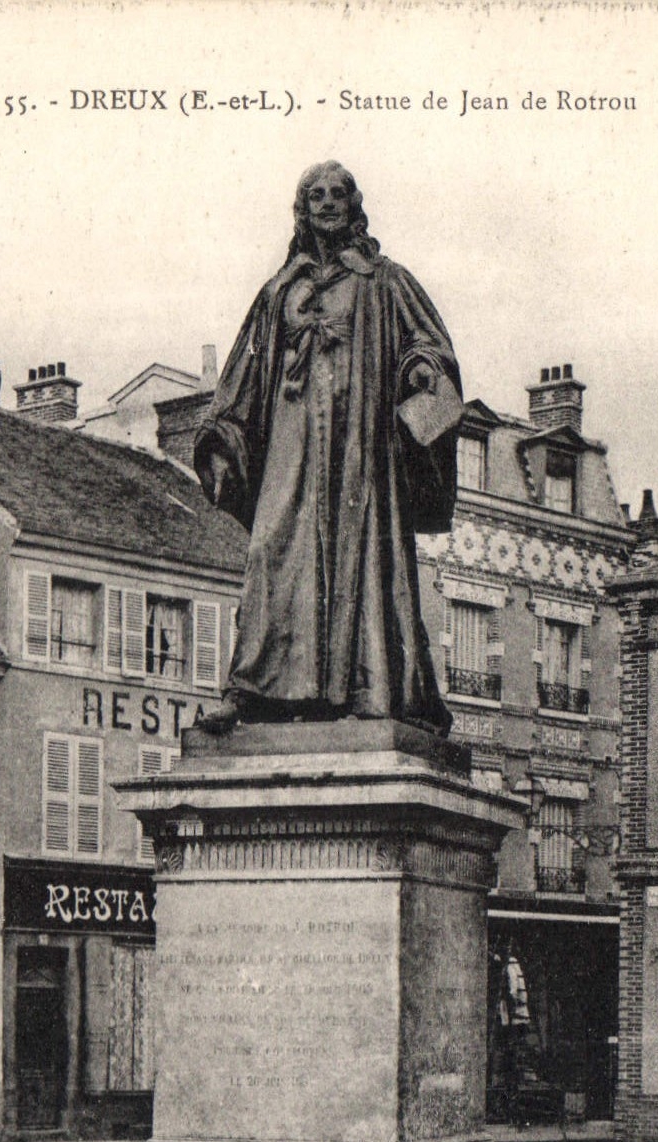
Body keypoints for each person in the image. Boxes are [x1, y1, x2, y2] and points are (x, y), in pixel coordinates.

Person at [194, 161, 462, 734]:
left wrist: (420, 371)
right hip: (290, 457)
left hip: (360, 453)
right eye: (314, 195)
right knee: (270, 553)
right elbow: (242, 375)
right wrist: (222, 439)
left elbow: (430, 346)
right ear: (301, 208)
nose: (326, 203)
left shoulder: (385, 281)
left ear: (355, 204)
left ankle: (367, 691)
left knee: (360, 560)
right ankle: (254, 691)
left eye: (338, 193)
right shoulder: (278, 292)